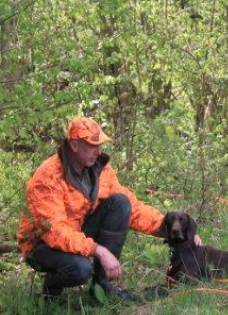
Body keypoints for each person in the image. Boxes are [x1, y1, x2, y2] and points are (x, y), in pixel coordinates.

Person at [17, 117, 196, 304]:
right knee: (81, 269)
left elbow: (132, 208)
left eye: (100, 145)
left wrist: (172, 228)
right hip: (41, 245)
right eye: (92, 145)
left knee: (121, 202)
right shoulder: (47, 178)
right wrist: (99, 251)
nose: (98, 151)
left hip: (77, 233)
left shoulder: (99, 169)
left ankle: (101, 290)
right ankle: (51, 288)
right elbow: (54, 232)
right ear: (75, 145)